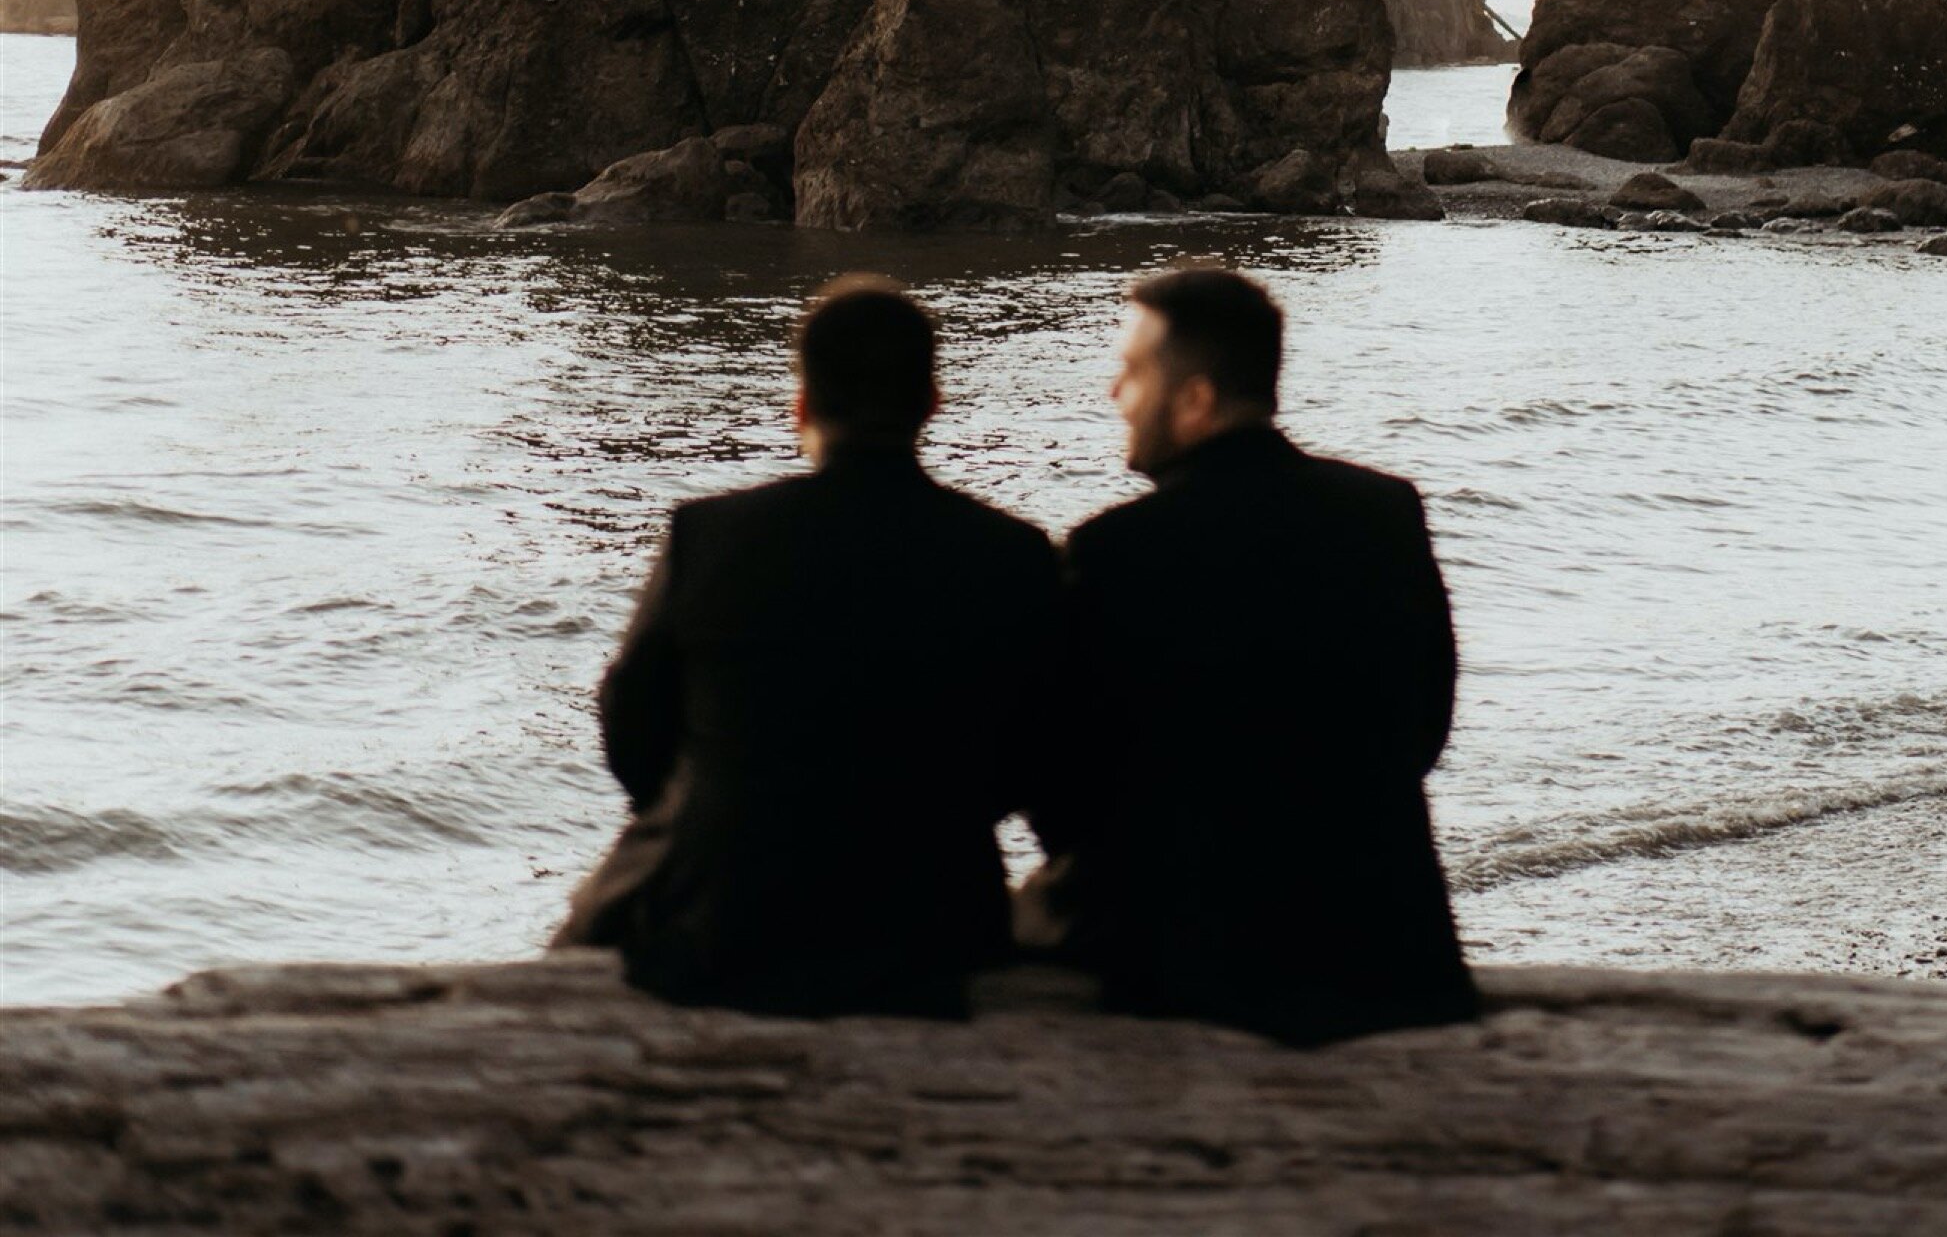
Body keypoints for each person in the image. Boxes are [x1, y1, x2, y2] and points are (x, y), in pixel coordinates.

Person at [560, 275, 1061, 1019]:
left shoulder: (710, 536)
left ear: (800, 404)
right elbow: (1045, 749)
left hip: (727, 922)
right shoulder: (1015, 555)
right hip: (932, 928)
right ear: (930, 403)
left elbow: (631, 722)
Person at [1036, 263, 1477, 1044]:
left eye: (1132, 374)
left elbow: (1065, 778)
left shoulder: (1116, 551)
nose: (1115, 396)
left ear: (1196, 400)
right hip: (1387, 952)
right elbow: (1424, 725)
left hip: (1194, 965)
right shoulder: (1383, 511)